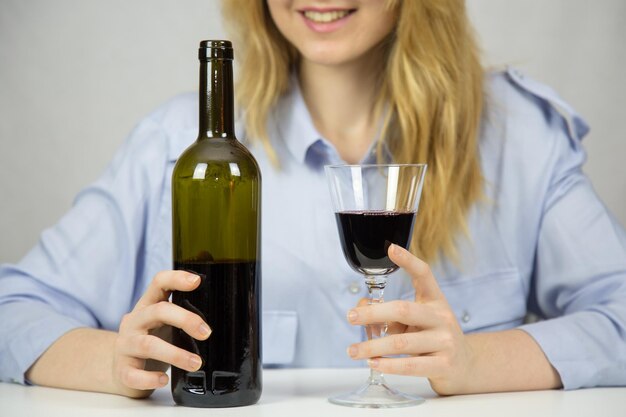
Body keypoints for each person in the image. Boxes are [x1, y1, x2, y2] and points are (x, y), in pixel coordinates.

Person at [1, 0, 625, 399]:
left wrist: (478, 363)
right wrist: (111, 362)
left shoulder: (521, 134)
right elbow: (12, 309)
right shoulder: (175, 147)